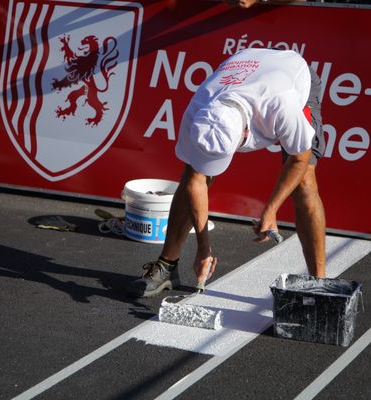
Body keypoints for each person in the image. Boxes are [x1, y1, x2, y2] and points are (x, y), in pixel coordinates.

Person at [126, 48, 326, 298]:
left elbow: (299, 158)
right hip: (247, 66)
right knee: (192, 174)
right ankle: (167, 266)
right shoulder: (198, 109)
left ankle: (320, 284)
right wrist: (203, 247)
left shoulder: (282, 105)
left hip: (292, 72)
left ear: (244, 135)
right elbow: (195, 181)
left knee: (304, 183)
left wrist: (271, 209)